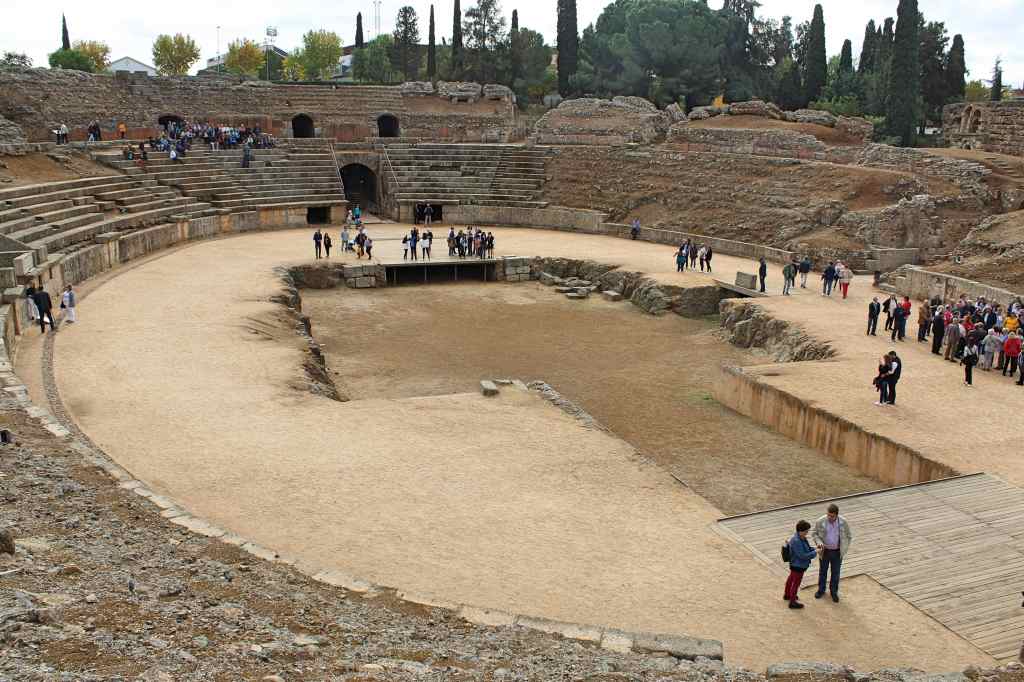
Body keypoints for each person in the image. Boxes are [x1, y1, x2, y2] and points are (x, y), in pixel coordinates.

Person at [812, 503, 852, 603]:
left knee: (835, 573)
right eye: (828, 515)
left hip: (837, 552)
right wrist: (819, 542)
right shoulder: (820, 521)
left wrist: (844, 548)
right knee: (823, 571)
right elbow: (814, 534)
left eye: (832, 516)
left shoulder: (843, 522)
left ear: (837, 515)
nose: (829, 517)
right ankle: (821, 590)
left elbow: (848, 536)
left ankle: (834, 592)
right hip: (825, 551)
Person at [784, 520, 818, 609]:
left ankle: (787, 595)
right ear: (801, 531)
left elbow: (807, 548)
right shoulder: (797, 541)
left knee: (791, 579)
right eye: (806, 531)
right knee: (796, 583)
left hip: (795, 564)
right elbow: (803, 556)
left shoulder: (799, 537)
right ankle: (792, 602)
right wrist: (815, 552)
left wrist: (814, 549)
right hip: (798, 565)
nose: (807, 533)